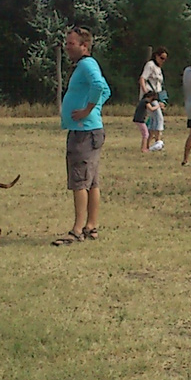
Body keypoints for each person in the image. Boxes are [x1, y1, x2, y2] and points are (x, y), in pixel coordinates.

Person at [53, 27, 111, 245]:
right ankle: (91, 226)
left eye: (71, 43)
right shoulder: (86, 66)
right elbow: (106, 90)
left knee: (79, 181)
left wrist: (87, 110)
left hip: (84, 133)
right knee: (92, 182)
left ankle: (77, 230)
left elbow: (99, 86)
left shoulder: (87, 64)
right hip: (89, 130)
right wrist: (94, 109)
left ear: (84, 46)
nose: (68, 47)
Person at [140, 47, 168, 150]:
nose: (163, 61)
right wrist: (146, 94)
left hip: (157, 96)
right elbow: (143, 78)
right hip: (150, 96)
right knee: (158, 117)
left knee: (153, 120)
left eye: (165, 59)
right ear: (156, 56)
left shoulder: (159, 68)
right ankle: (158, 141)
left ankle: (147, 145)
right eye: (161, 58)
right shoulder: (150, 65)